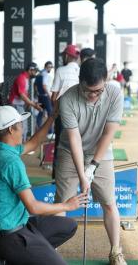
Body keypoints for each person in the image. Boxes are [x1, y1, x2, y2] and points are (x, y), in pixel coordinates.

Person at [0, 105, 88, 264]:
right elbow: (33, 207)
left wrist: (52, 117)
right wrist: (67, 206)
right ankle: (18, 257)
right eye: (20, 125)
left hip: (21, 225)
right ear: (12, 130)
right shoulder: (11, 161)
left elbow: (33, 143)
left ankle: (31, 255)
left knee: (69, 225)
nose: (23, 128)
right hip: (11, 237)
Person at [55, 58, 126, 265]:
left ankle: (115, 252)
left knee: (109, 202)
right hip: (70, 151)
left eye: (98, 91)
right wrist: (82, 175)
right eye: (88, 91)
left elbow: (108, 133)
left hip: (101, 151)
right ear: (80, 82)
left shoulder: (114, 93)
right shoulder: (67, 99)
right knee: (62, 203)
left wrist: (93, 166)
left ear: (105, 81)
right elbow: (74, 139)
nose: (93, 95)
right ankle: (49, 251)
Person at [50, 44, 80, 178]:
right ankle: (76, 173)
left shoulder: (60, 71)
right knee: (77, 142)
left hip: (62, 113)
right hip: (79, 114)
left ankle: (56, 175)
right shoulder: (80, 71)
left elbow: (54, 97)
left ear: (67, 56)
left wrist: (55, 112)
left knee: (59, 143)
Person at [8, 62, 43, 142]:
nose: (36, 73)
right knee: (21, 126)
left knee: (23, 126)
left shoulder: (26, 78)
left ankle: (21, 144)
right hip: (15, 105)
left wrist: (31, 103)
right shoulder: (21, 78)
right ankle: (20, 145)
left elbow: (24, 95)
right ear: (30, 70)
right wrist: (33, 105)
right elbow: (22, 95)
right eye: (35, 71)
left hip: (19, 105)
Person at [34, 61, 54, 132]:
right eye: (49, 67)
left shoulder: (39, 74)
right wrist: (49, 96)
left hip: (40, 96)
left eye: (51, 67)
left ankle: (38, 129)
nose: (50, 69)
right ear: (45, 67)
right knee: (50, 113)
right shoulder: (45, 74)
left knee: (41, 112)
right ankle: (50, 131)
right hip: (45, 96)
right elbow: (44, 86)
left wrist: (38, 94)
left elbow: (35, 86)